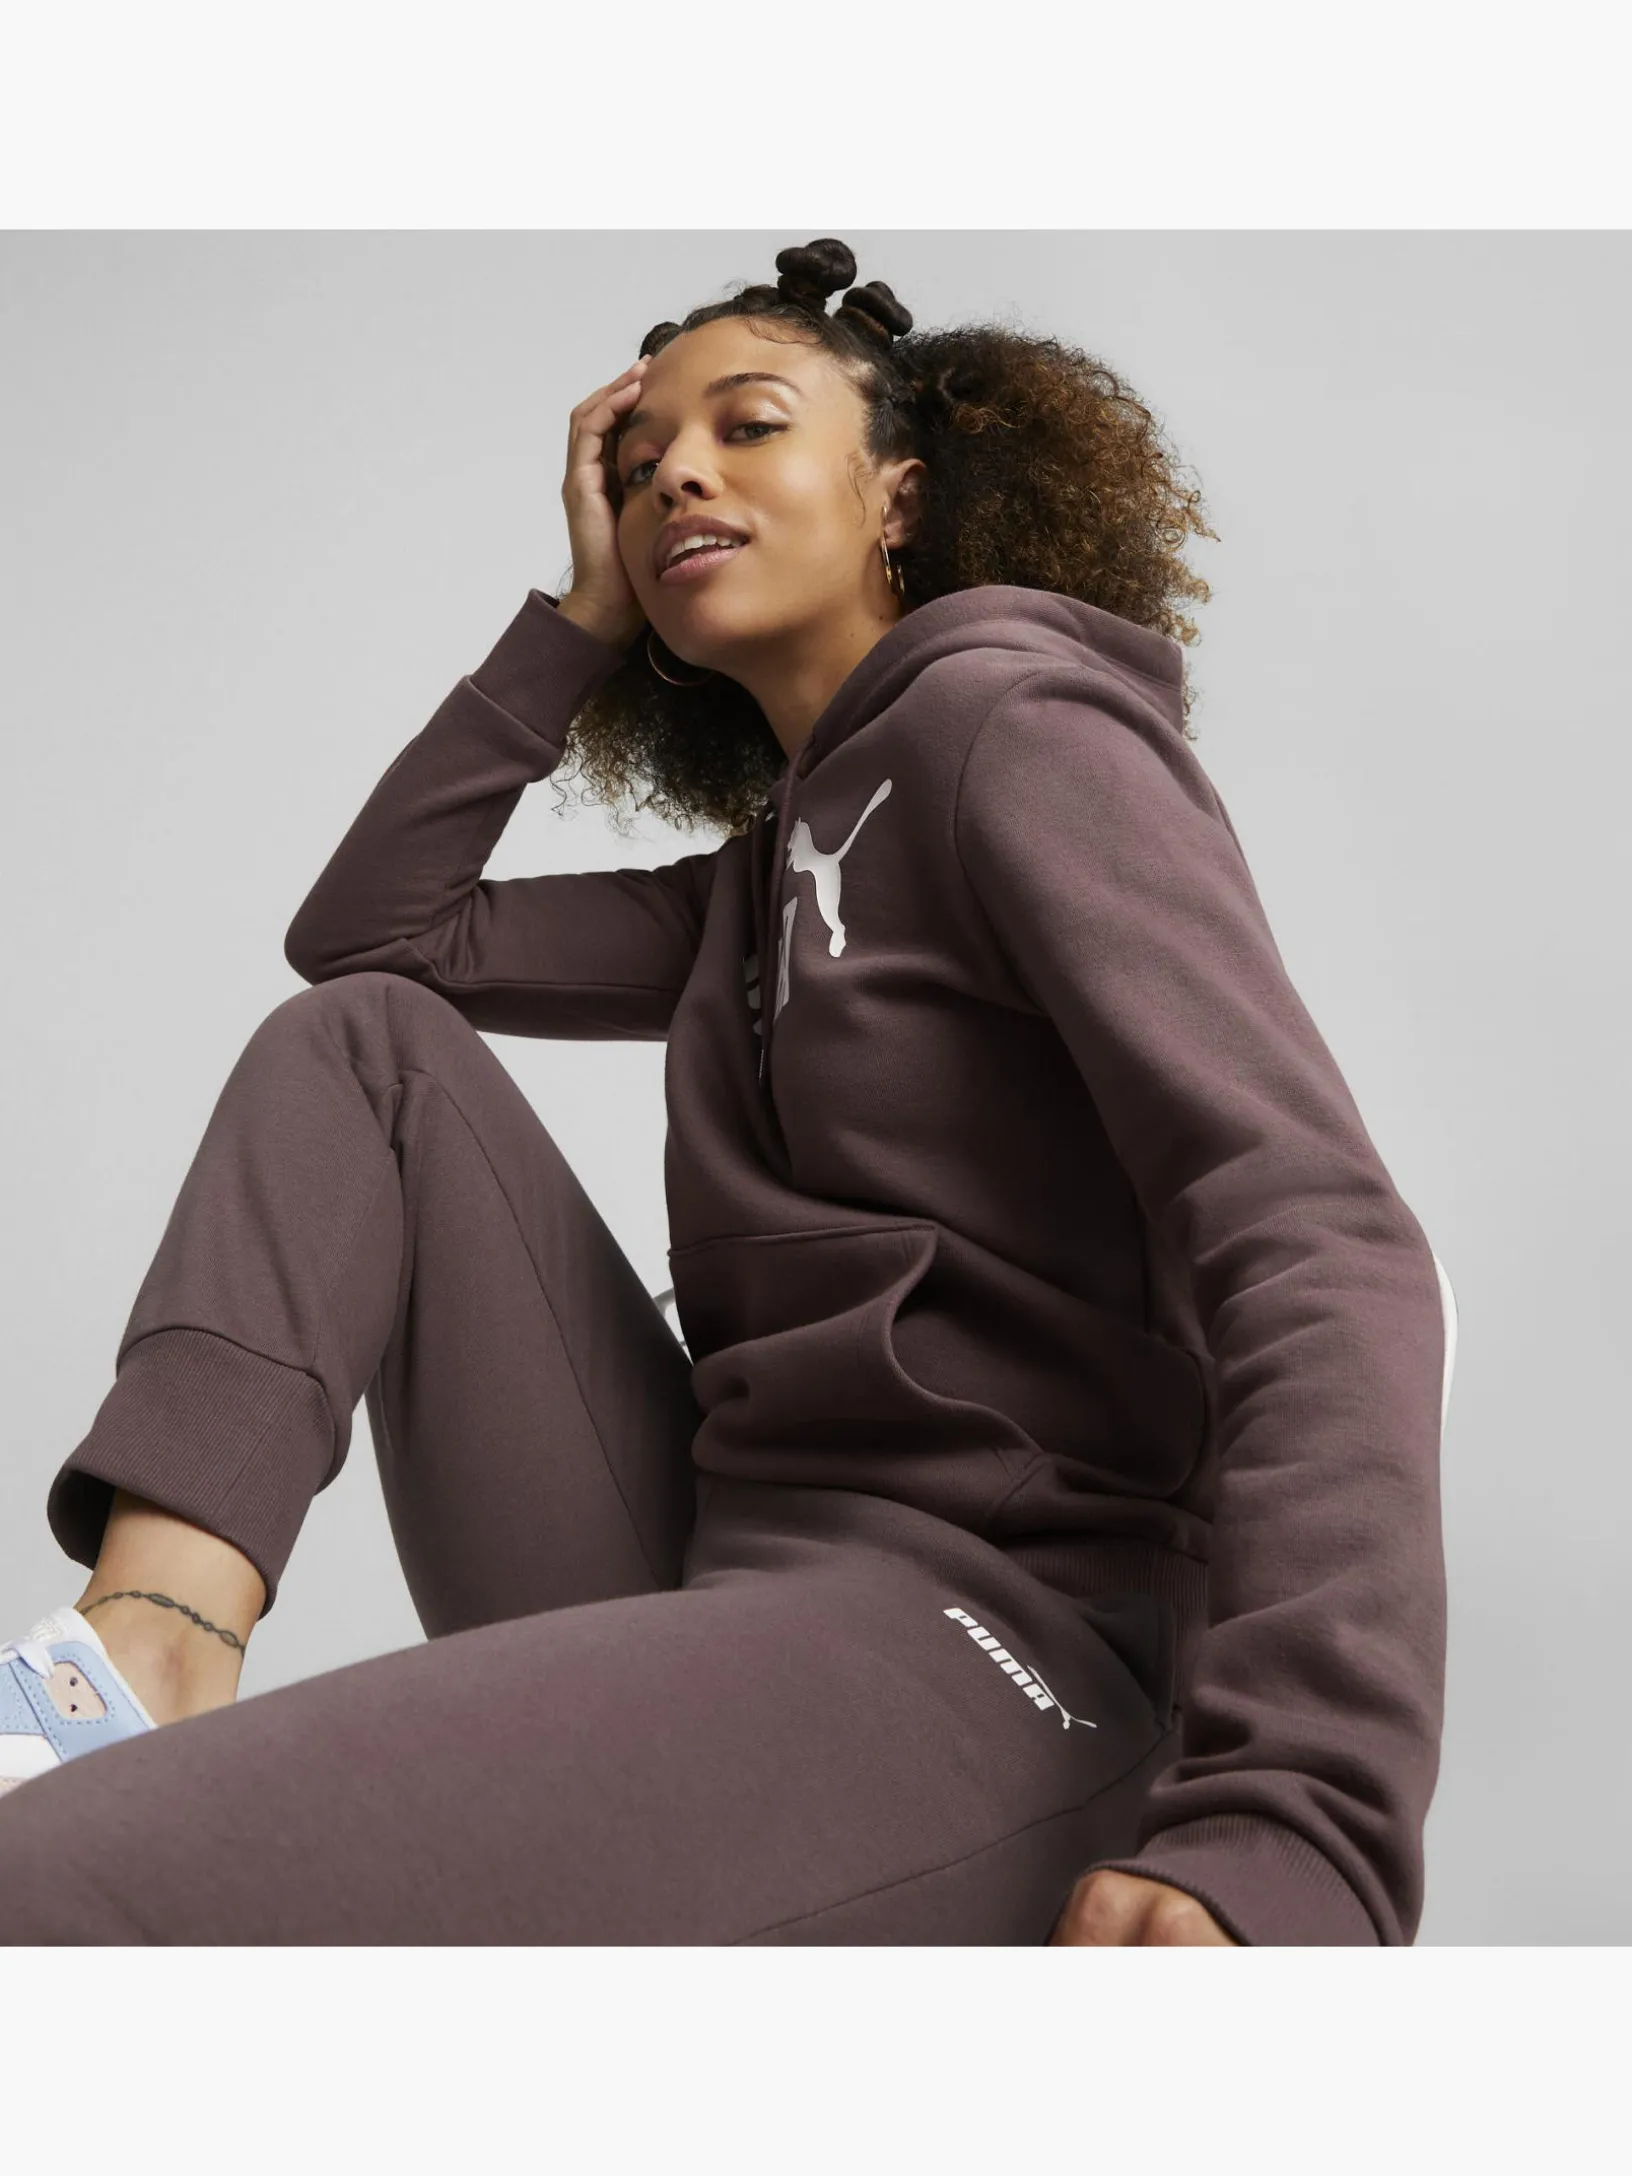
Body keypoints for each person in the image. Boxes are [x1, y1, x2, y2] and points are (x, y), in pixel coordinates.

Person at [0, 237, 1455, 1945]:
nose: (677, 474)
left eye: (748, 426)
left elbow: (1320, 1242)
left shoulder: (1020, 733)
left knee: (61, 1889)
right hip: (720, 1569)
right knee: (363, 1054)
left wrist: (1295, 1821)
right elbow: (373, 939)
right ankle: (153, 1641)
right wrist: (577, 622)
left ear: (900, 494)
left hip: (997, 1644)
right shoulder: (757, 886)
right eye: (638, 468)